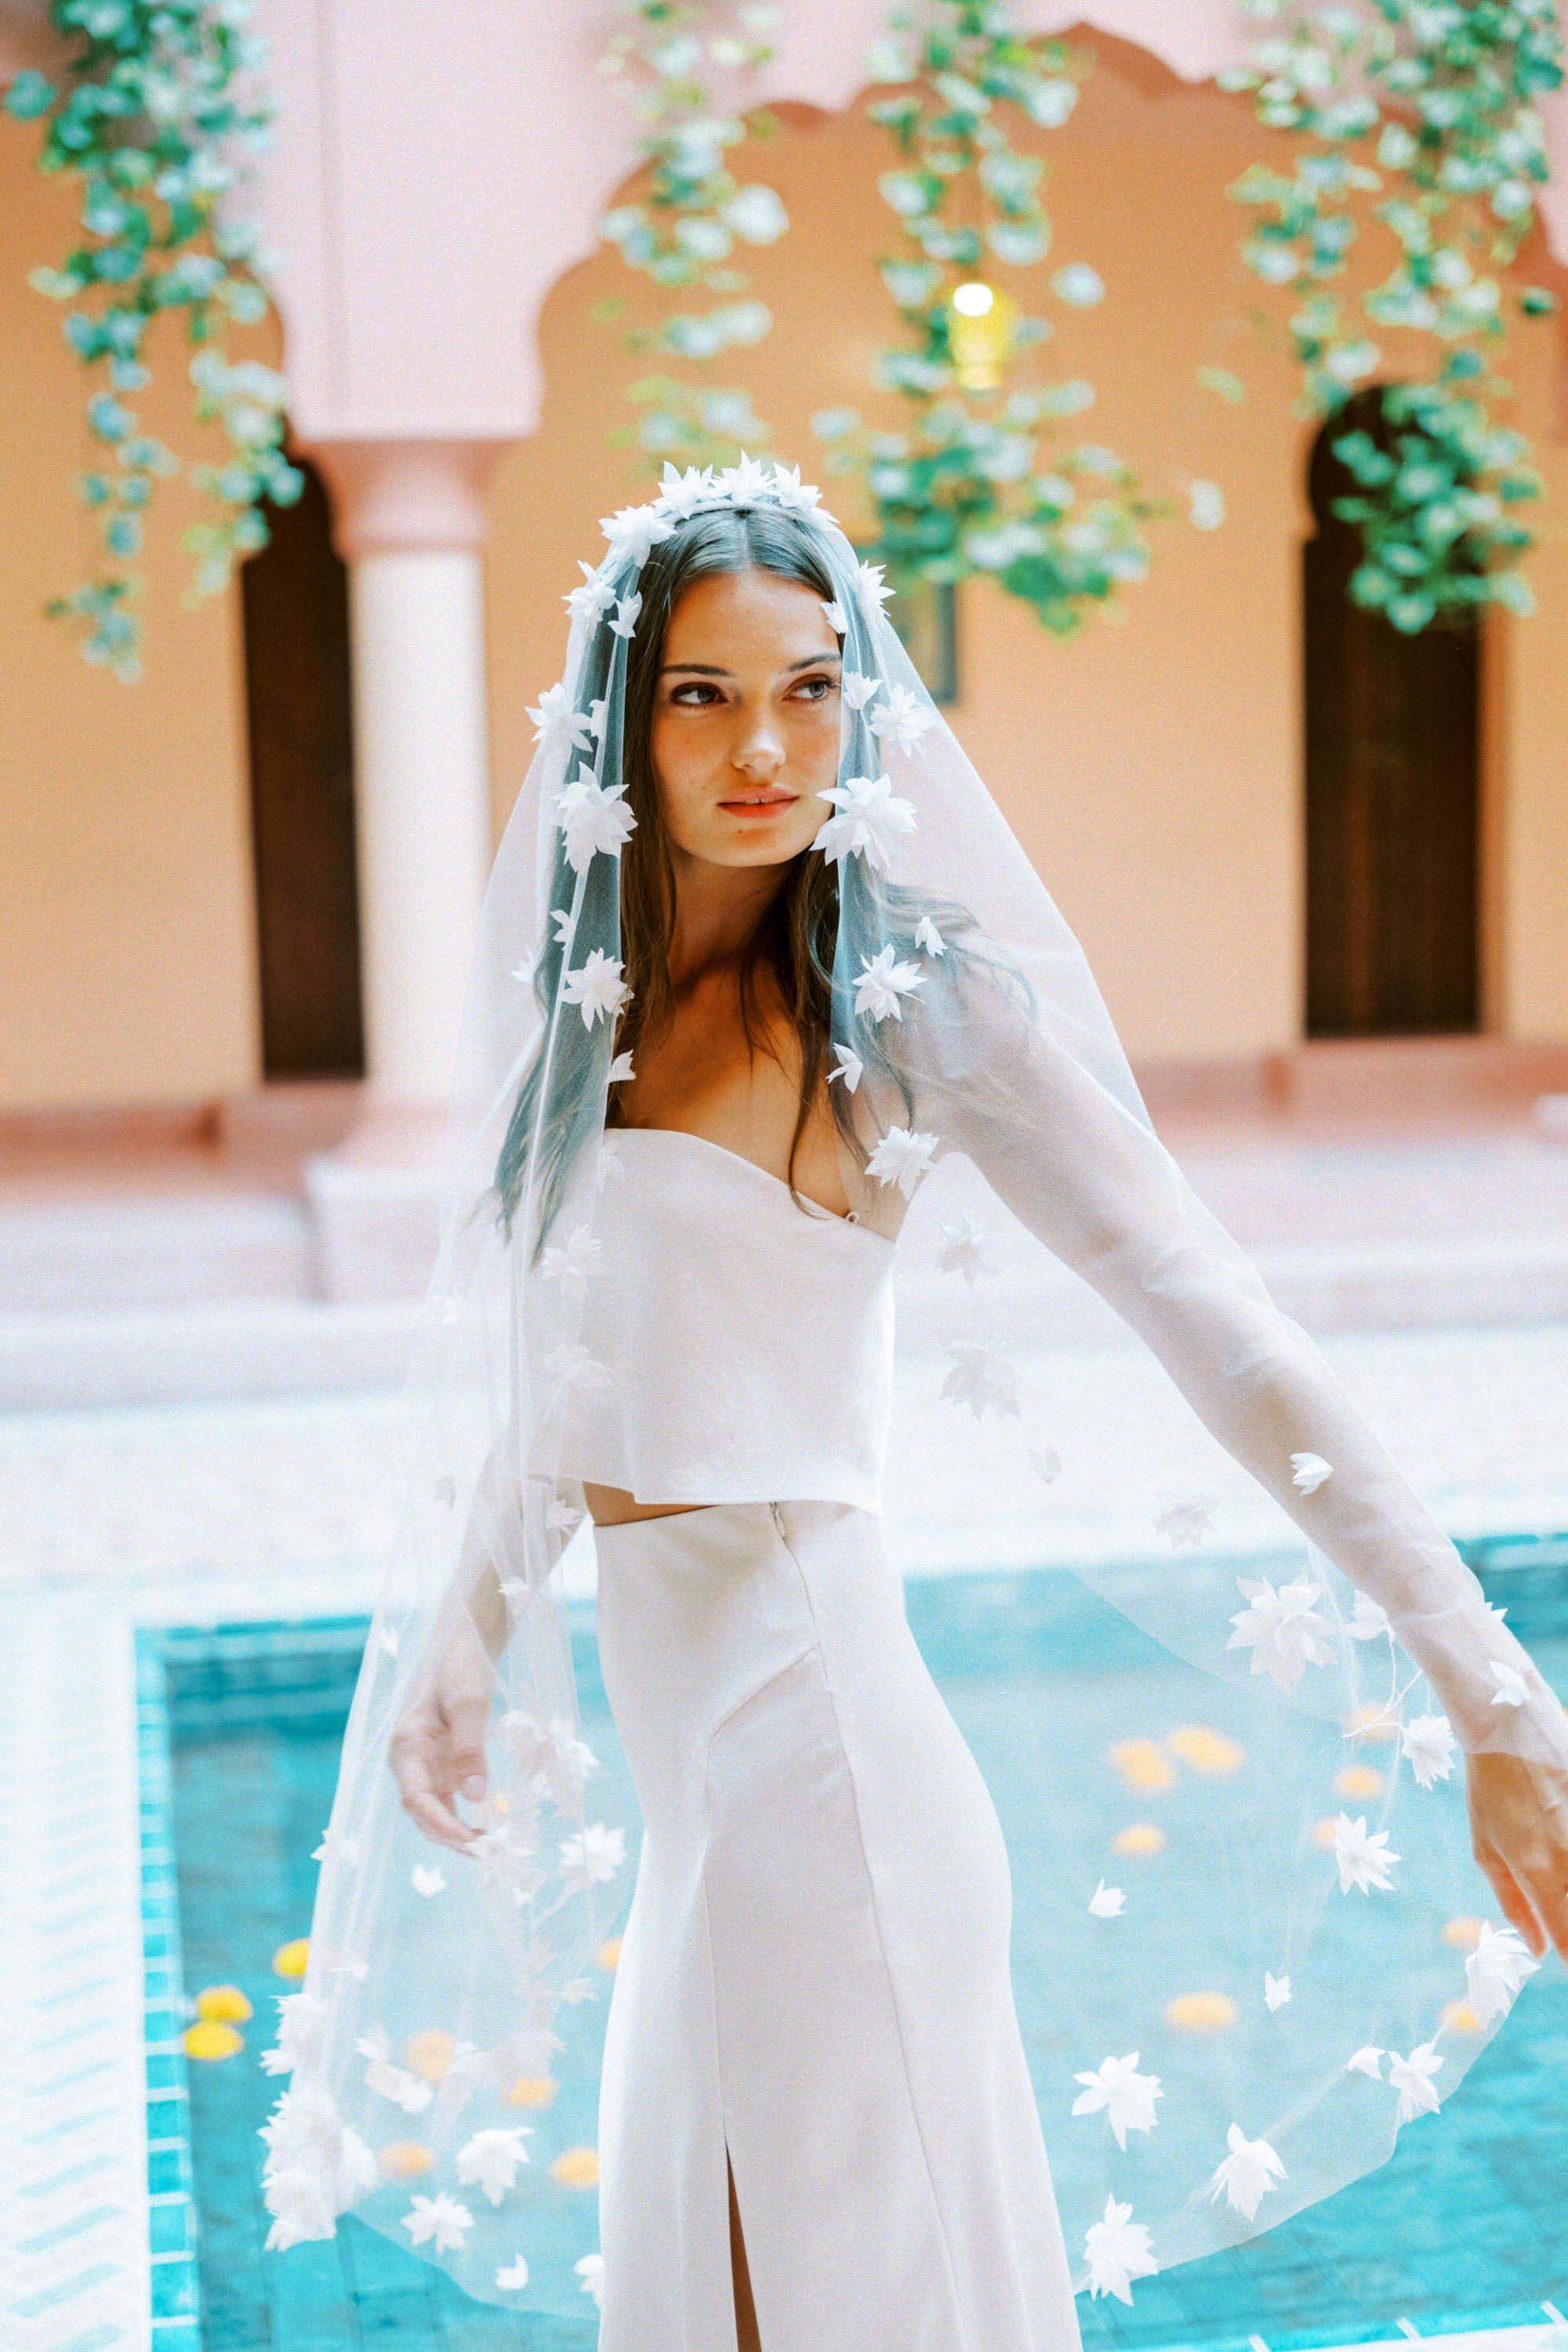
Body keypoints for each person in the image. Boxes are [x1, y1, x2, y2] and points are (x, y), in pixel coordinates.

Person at [261, 460, 1568, 2350]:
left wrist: (1493, 1692)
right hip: (697, 1784)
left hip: (826, 1771)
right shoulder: (596, 1013)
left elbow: (1221, 1326)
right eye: (704, 692)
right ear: (626, 717)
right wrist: (469, 1620)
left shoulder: (908, 1007)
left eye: (810, 687)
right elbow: (580, 1369)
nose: (764, 744)